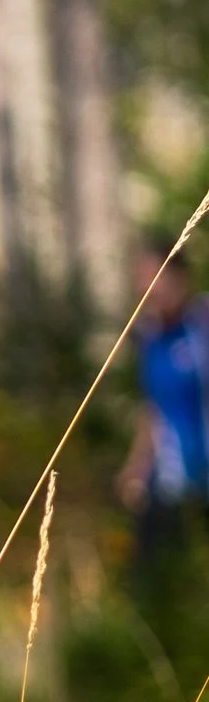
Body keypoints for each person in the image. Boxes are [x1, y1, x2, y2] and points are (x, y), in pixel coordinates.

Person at [118, 238, 209, 572]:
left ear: (181, 277)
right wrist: (137, 467)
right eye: (142, 279)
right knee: (156, 573)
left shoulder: (203, 323)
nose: (149, 289)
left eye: (156, 278)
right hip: (172, 480)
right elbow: (153, 408)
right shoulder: (148, 336)